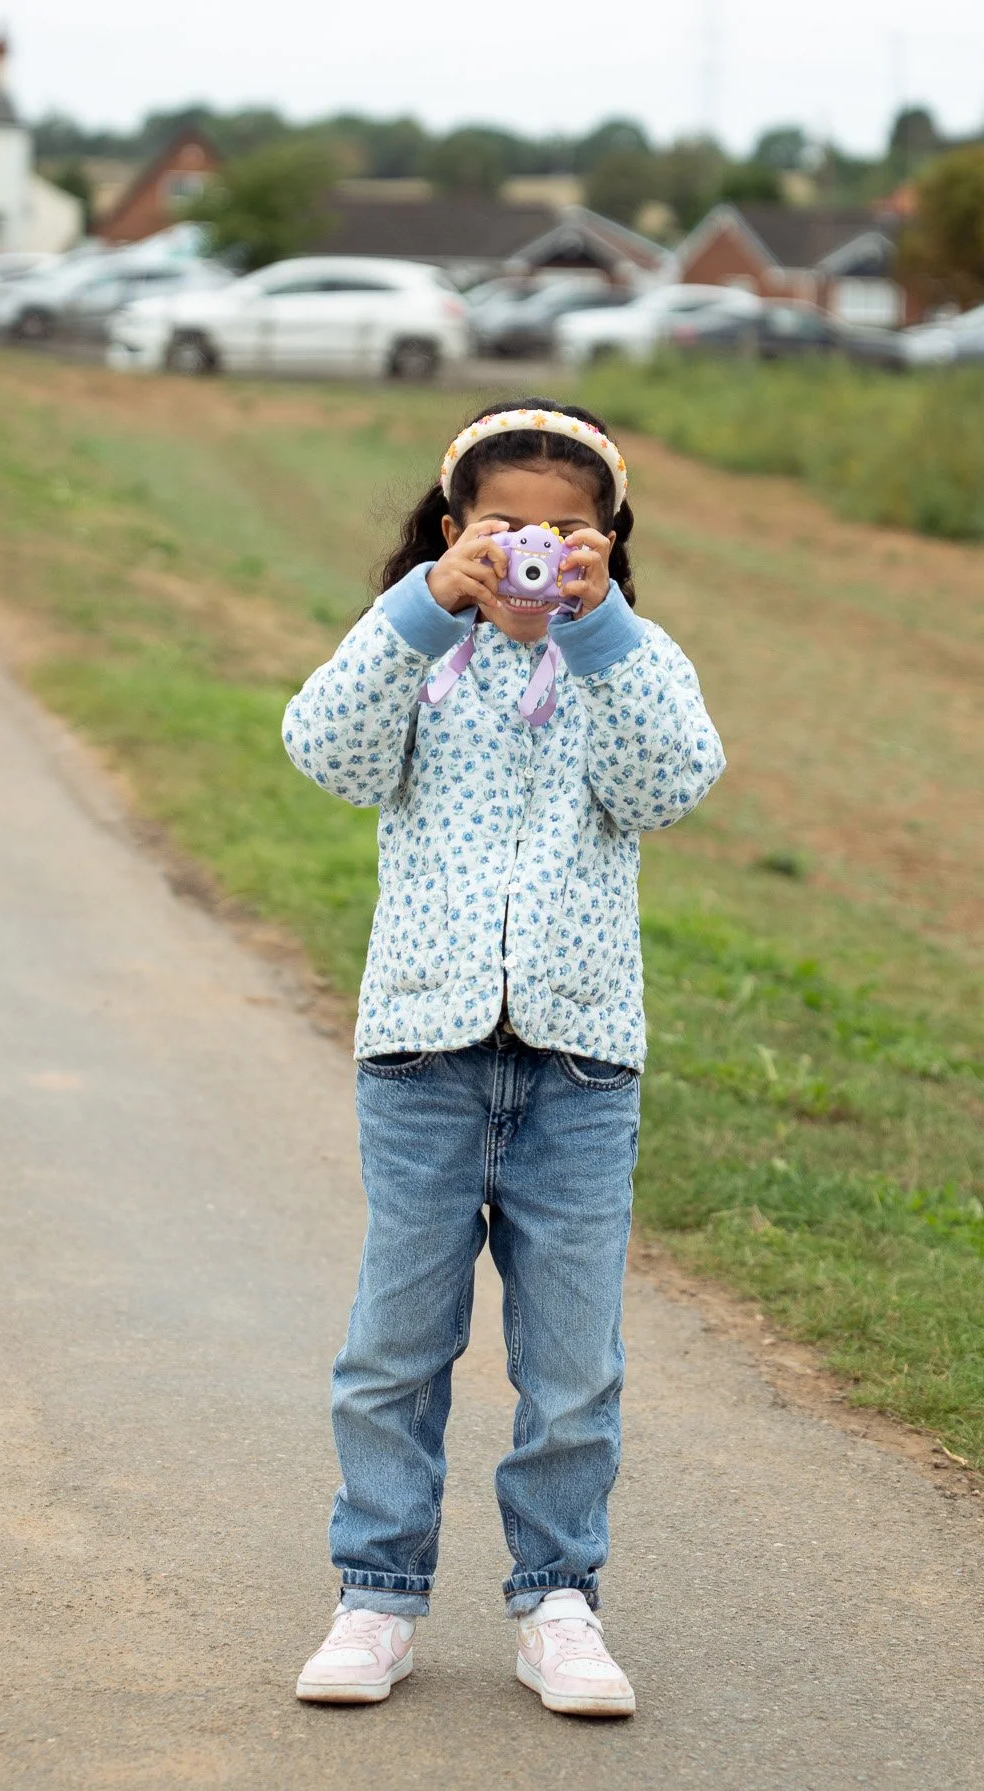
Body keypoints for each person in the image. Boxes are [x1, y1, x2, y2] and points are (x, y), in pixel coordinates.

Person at [282, 399, 724, 1716]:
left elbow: (672, 785)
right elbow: (325, 753)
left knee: (573, 1363)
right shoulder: (418, 653)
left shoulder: (630, 664)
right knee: (395, 1348)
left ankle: (559, 1602)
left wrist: (604, 638)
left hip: (581, 1066)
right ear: (453, 527)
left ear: (609, 544)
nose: (538, 554)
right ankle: (376, 1597)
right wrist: (424, 608)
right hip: (425, 1054)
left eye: (570, 534)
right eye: (506, 528)